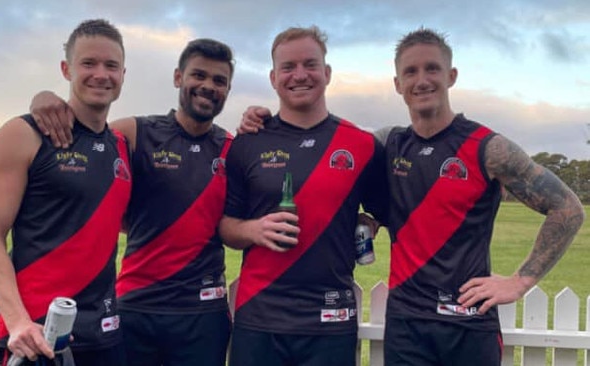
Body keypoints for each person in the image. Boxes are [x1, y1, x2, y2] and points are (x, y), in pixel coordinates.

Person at [379, 28, 585, 366]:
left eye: (432, 68)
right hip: (406, 325)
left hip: (469, 323)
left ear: (451, 76)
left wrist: (521, 281)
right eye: (410, 72)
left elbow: (568, 208)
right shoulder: (389, 143)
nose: (422, 80)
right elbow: (332, 158)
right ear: (398, 83)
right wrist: (263, 123)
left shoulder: (489, 148)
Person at [29, 38, 235, 366]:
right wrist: (45, 99)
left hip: (203, 313)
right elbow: (85, 133)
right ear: (178, 77)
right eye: (199, 75)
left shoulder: (230, 148)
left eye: (219, 80)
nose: (207, 86)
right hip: (136, 306)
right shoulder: (136, 132)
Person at [218, 26, 388, 366]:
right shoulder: (247, 144)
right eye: (288, 67)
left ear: (326, 73)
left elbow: (386, 208)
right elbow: (224, 226)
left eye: (310, 65)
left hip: (331, 319)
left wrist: (367, 223)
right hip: (259, 318)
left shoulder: (362, 145)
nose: (300, 75)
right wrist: (254, 231)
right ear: (273, 77)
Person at [0, 19, 131, 366]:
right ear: (66, 69)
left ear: (123, 74)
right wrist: (16, 321)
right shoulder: (22, 134)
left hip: (104, 335)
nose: (101, 74)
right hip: (33, 337)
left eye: (111, 65)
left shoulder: (122, 146)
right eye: (88, 63)